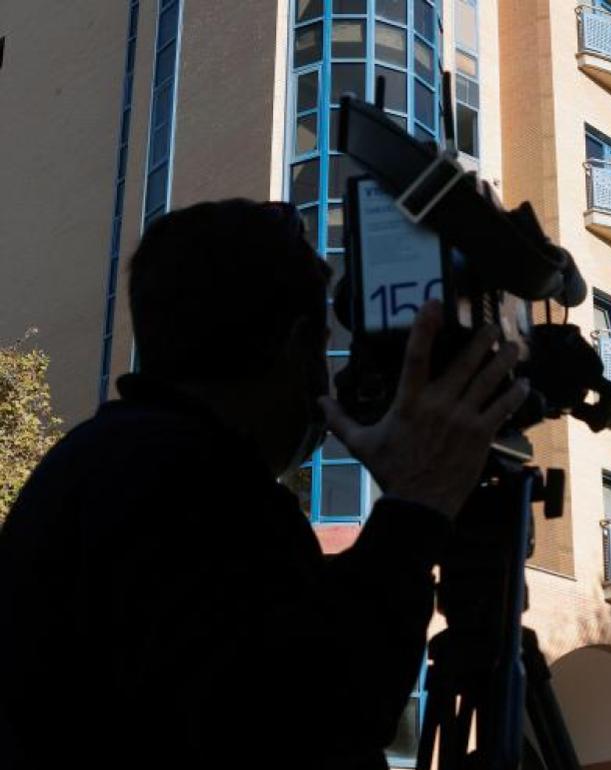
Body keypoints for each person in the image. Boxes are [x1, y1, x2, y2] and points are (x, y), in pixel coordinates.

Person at [0, 200, 529, 769]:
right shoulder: (194, 487)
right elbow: (307, 716)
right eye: (325, 346)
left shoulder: (112, 463)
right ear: (297, 347)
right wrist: (416, 509)